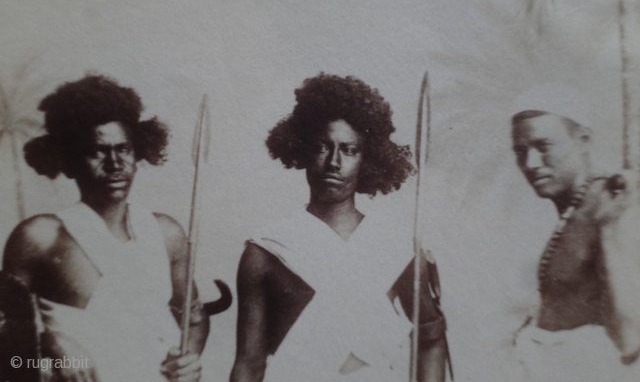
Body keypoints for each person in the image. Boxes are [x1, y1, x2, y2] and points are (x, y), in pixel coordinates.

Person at [230, 74, 450, 382]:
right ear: (304, 150)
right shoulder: (265, 251)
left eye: (349, 150)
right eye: (323, 147)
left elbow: (431, 339)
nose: (334, 161)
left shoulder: (396, 246)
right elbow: (249, 365)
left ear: (367, 159)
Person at [2, 75, 209, 382]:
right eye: (97, 151)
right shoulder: (40, 236)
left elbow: (194, 319)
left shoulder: (166, 233)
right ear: (70, 161)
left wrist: (188, 360)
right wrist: (50, 344)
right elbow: (10, 360)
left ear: (138, 152)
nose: (114, 163)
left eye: (123, 149)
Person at [510, 83, 640, 381]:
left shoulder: (613, 204)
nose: (530, 164)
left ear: (583, 139)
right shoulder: (576, 212)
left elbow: (631, 337)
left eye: (543, 146)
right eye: (520, 151)